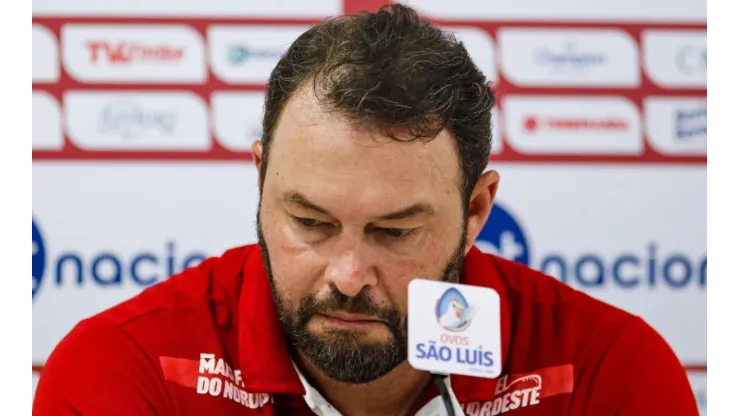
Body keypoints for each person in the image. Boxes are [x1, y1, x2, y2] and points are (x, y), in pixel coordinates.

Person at [33, 4, 699, 416]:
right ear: (261, 183)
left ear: (475, 209)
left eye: (394, 230)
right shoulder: (127, 368)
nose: (348, 274)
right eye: (311, 223)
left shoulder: (607, 372)